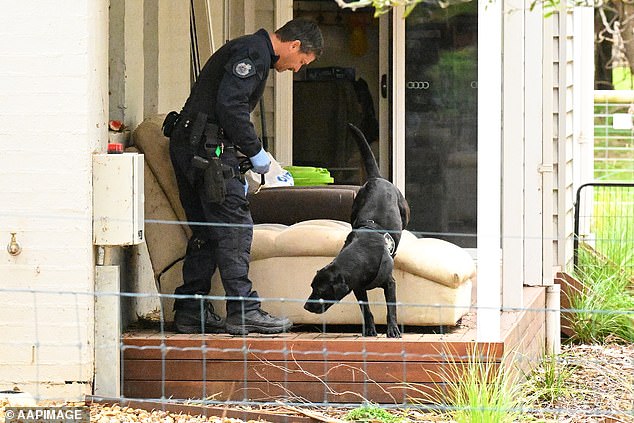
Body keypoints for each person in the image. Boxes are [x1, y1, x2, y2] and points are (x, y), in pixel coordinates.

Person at [164, 18, 323, 335]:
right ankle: (244, 310)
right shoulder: (254, 52)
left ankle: (190, 310)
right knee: (235, 227)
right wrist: (255, 151)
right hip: (209, 152)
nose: (297, 70)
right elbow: (231, 105)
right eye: (301, 62)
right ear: (293, 46)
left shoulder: (251, 49)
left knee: (207, 231)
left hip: (192, 147)